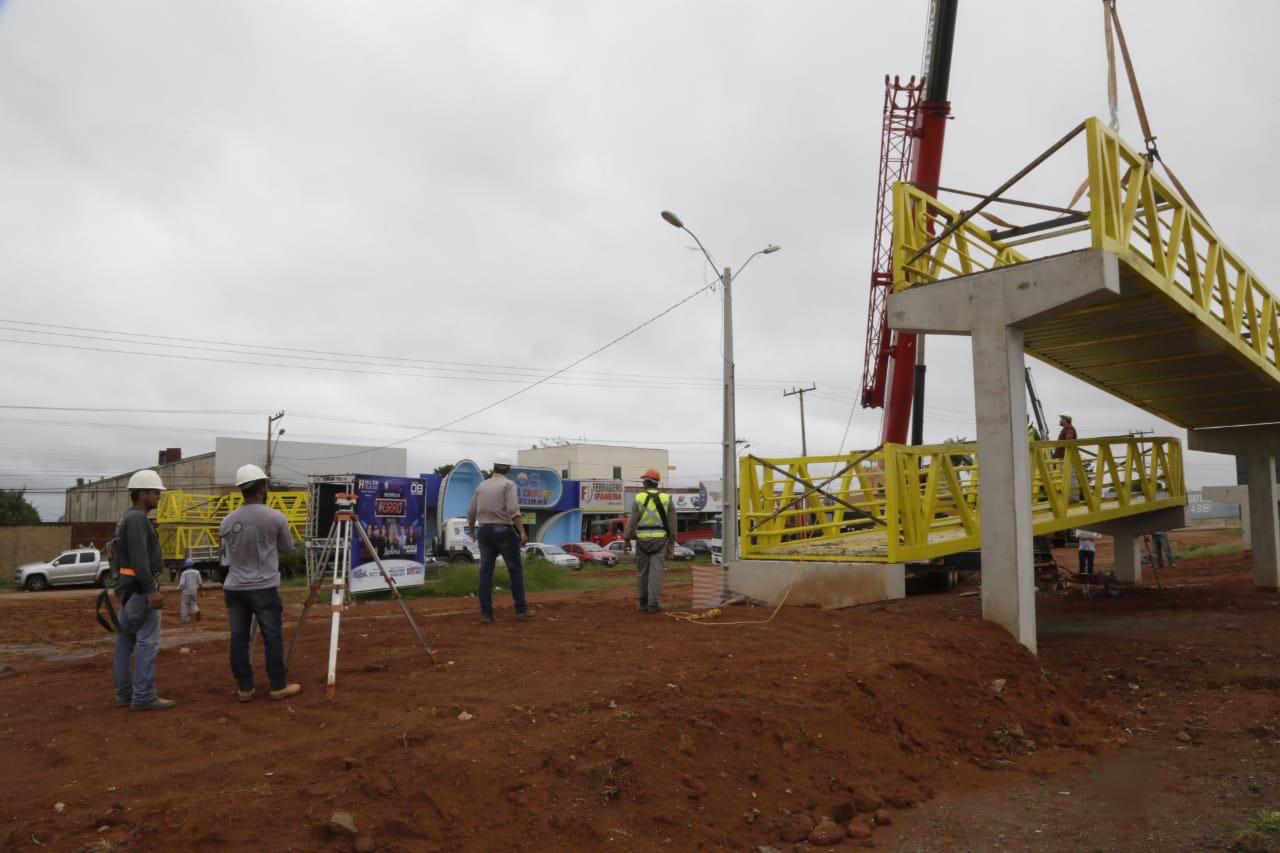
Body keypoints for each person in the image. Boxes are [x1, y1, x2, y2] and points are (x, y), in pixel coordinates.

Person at [219, 464, 301, 702]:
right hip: (263, 587)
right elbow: (287, 547)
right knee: (272, 635)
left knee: (239, 637)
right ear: (262, 488)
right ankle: (278, 686)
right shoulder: (275, 517)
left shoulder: (227, 521)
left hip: (234, 588)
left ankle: (245, 688)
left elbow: (224, 556)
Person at [112, 469, 175, 711]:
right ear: (142, 494)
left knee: (125, 640)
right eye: (155, 492)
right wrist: (151, 590)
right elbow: (140, 558)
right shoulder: (137, 519)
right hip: (140, 590)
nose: (159, 496)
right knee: (147, 642)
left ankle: (124, 694)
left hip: (128, 589)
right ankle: (144, 696)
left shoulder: (126, 519)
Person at [466, 451, 534, 623]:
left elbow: (471, 511)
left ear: (493, 467)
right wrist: (522, 532)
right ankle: (521, 609)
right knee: (515, 569)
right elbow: (513, 510)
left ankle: (486, 614)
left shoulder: (481, 486)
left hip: (484, 531)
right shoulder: (509, 485)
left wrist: (472, 531)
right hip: (503, 530)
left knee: (485, 573)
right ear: (508, 469)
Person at [624, 468, 678, 613]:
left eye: (644, 481)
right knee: (656, 572)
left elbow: (632, 521)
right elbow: (672, 523)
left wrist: (627, 538)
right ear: (656, 484)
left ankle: (643, 603)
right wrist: (672, 541)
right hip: (660, 541)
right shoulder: (667, 499)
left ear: (647, 482)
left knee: (642, 571)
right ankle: (653, 604)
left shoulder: (638, 498)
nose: (643, 483)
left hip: (642, 541)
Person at [178, 559, 203, 623]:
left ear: (186, 565)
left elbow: (182, 583)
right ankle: (196, 610)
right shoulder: (197, 572)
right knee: (193, 603)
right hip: (194, 591)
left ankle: (186, 620)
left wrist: (178, 588)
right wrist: (202, 592)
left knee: (185, 605)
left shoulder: (184, 573)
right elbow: (200, 583)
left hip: (186, 592)